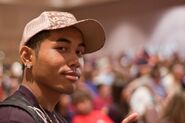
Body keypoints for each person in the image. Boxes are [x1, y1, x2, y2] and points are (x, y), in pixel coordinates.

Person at [0, 11, 138, 123]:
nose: (76, 61)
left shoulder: (55, 117)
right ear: (27, 56)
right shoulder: (13, 118)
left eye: (79, 52)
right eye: (62, 48)